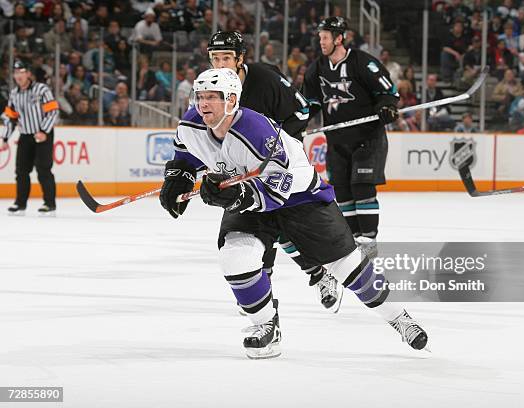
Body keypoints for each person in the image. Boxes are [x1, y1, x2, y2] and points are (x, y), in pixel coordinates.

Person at [158, 68, 428, 359]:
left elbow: (280, 185)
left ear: (232, 99)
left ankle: (399, 317)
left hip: (300, 197)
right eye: (200, 96)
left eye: (212, 97)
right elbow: (185, 153)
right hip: (250, 197)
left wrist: (239, 195)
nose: (203, 104)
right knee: (235, 257)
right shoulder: (191, 124)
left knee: (348, 267)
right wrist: (179, 178)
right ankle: (266, 326)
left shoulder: (256, 129)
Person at [191, 31, 340, 311]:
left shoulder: (264, 78)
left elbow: (301, 111)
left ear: (240, 59)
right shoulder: (209, 89)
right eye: (215, 58)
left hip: (276, 166)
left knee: (279, 223)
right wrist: (187, 170)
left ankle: (315, 274)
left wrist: (277, 149)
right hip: (242, 173)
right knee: (263, 233)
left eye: (226, 58)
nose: (220, 64)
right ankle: (284, 296)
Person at [304, 17, 399, 257]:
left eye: (325, 37)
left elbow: (388, 92)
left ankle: (368, 240)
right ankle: (354, 240)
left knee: (362, 186)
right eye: (320, 37)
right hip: (336, 140)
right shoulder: (317, 68)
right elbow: (311, 104)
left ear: (339, 38)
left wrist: (387, 107)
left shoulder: (362, 63)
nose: (321, 41)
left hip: (368, 137)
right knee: (343, 191)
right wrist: (296, 123)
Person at [0, 61, 59, 216]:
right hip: (25, 135)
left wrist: (44, 131)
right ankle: (20, 204)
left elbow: (53, 112)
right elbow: (10, 117)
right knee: (21, 171)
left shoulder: (42, 89)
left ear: (28, 74)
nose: (18, 75)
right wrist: (5, 138)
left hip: (42, 135)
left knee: (43, 169)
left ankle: (49, 204)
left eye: (22, 71)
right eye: (16, 72)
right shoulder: (14, 94)